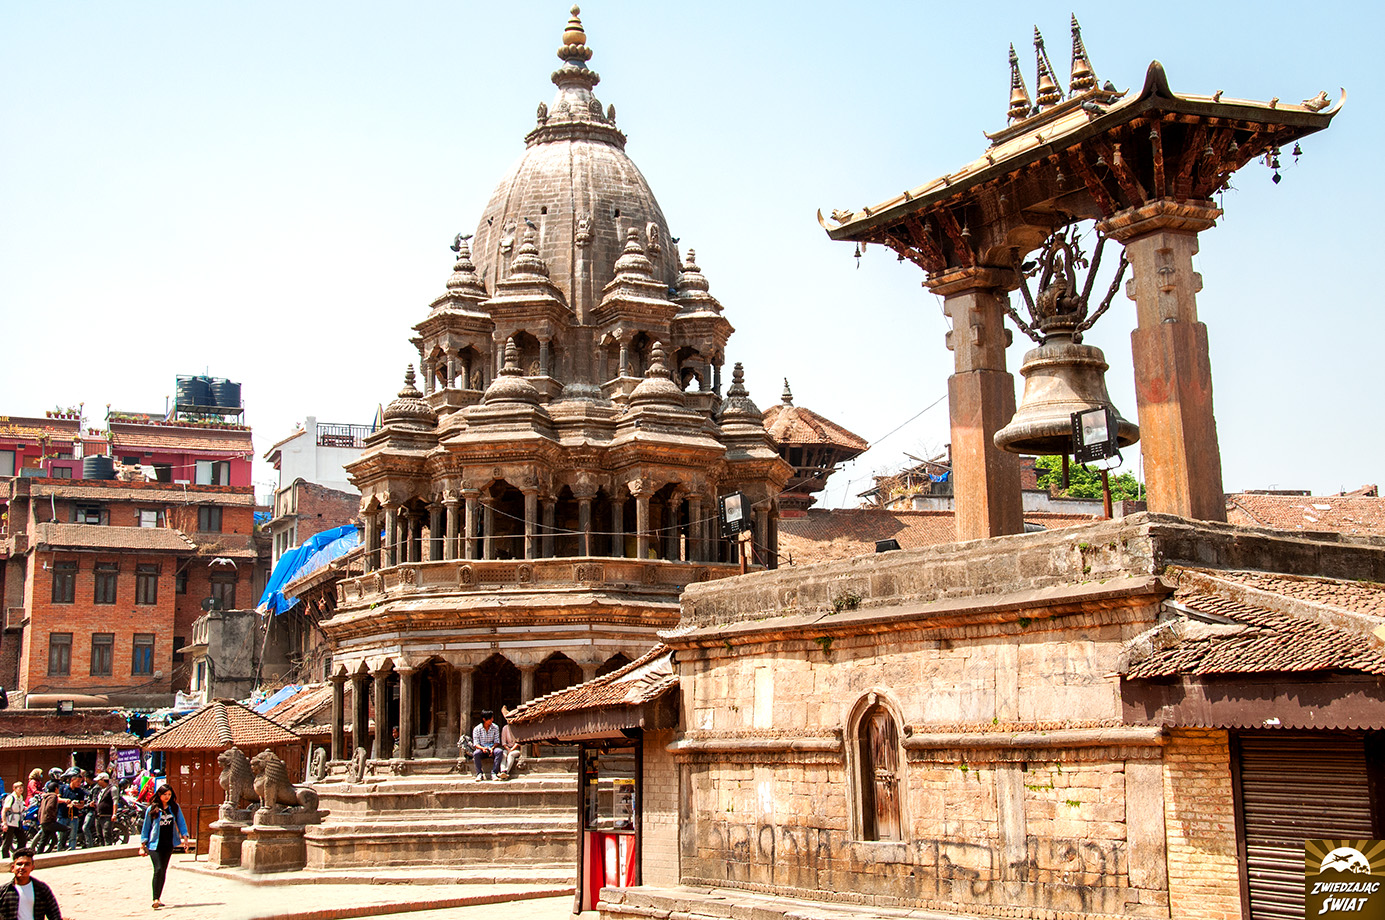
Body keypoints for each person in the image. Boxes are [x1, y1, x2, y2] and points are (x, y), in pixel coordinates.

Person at [139, 784, 186, 910]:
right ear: (159, 795)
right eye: (165, 794)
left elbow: (181, 822)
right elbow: (146, 827)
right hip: (154, 844)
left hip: (168, 844)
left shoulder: (174, 808)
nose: (167, 797)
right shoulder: (152, 809)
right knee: (158, 868)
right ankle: (155, 898)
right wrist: (143, 844)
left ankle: (158, 898)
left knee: (163, 870)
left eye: (169, 795)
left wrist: (185, 836)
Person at [0, 847, 62, 920]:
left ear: (32, 868)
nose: (22, 867)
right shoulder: (4, 892)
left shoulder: (42, 889)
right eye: (19, 864)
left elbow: (54, 914)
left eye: (27, 864)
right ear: (13, 868)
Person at [31, 784, 62, 855]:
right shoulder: (53, 796)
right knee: (67, 829)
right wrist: (53, 817)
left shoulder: (45, 797)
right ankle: (62, 846)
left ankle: (39, 853)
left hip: (43, 820)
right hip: (49, 821)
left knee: (44, 839)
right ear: (56, 789)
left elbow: (40, 810)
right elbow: (49, 808)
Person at [471, 711, 503, 781]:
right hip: (482, 749)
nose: (492, 720)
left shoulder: (495, 727)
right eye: (490, 719)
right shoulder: (477, 729)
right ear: (484, 719)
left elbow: (497, 741)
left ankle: (494, 773)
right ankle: (479, 773)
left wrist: (492, 748)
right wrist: (483, 748)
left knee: (499, 751)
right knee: (476, 754)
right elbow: (476, 743)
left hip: (492, 748)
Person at [91, 774, 116, 847]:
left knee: (107, 834)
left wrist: (114, 814)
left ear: (103, 780)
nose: (98, 782)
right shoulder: (100, 790)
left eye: (99, 781)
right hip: (99, 815)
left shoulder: (112, 789)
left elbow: (115, 801)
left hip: (107, 815)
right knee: (99, 835)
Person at [0, 785, 24, 858]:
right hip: (10, 822)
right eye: (19, 788)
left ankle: (18, 856)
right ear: (14, 789)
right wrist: (4, 823)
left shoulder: (20, 798)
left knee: (22, 840)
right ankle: (5, 857)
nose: (21, 789)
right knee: (7, 841)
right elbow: (4, 811)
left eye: (22, 788)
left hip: (18, 822)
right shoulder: (11, 798)